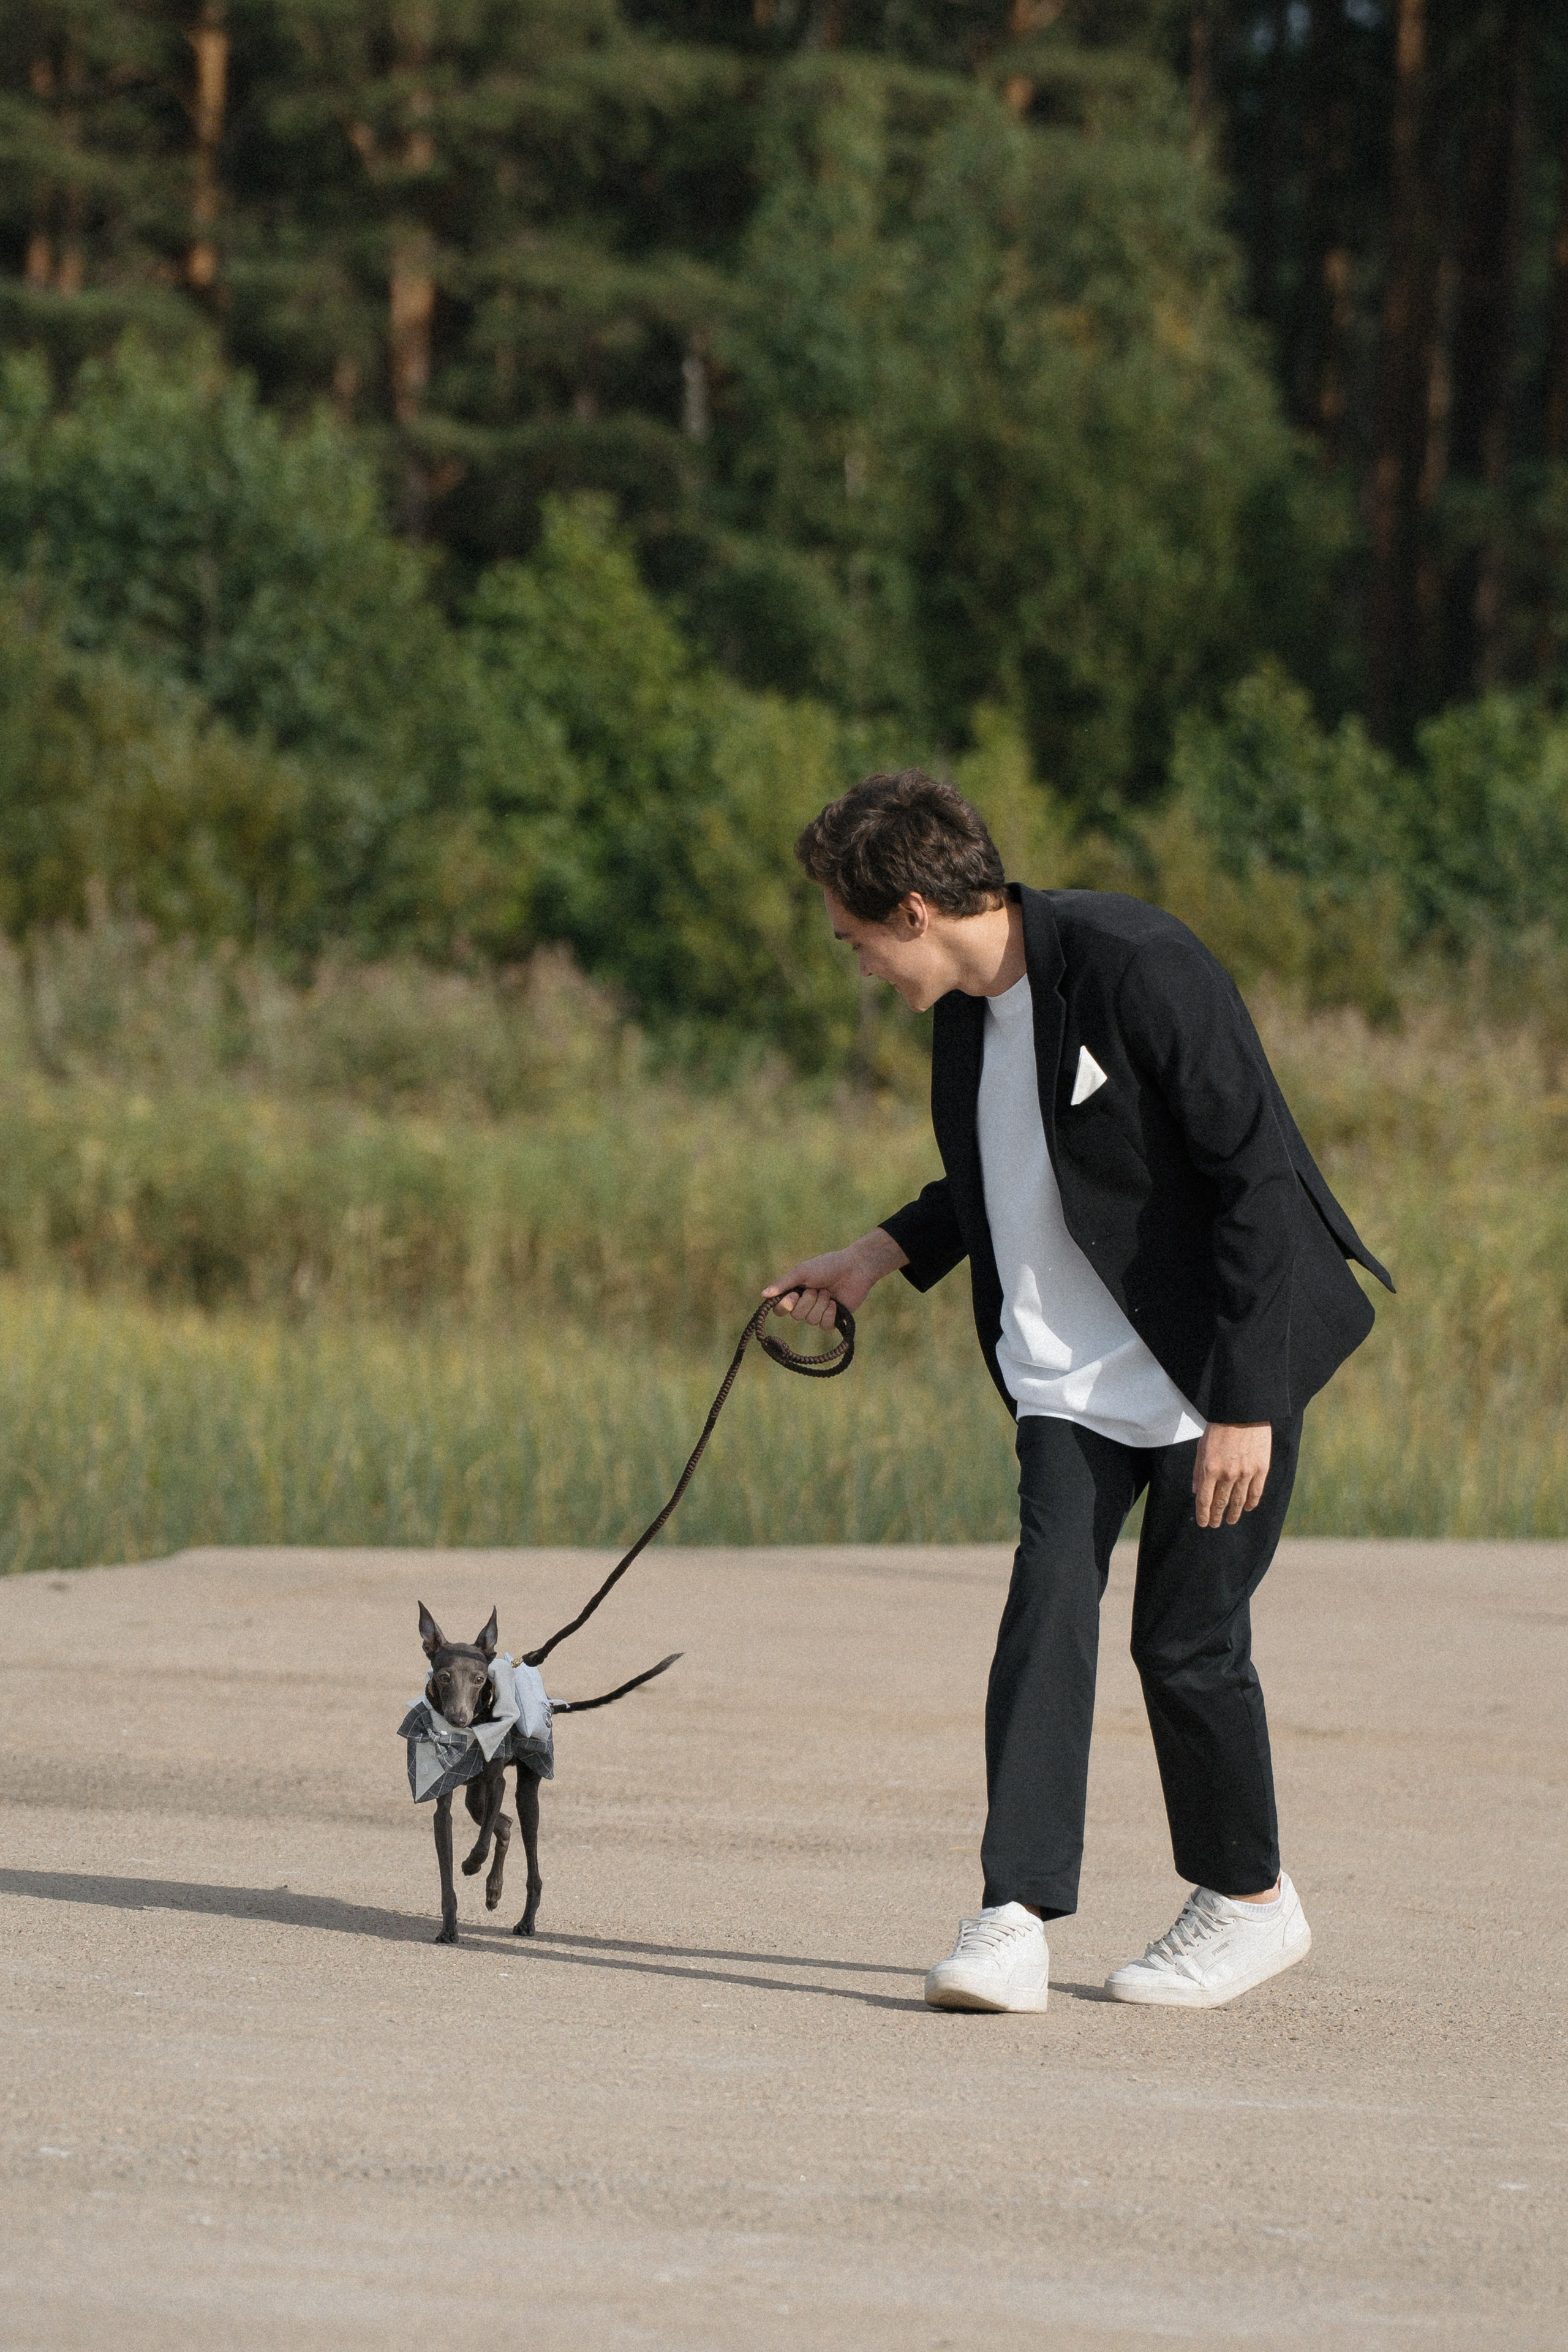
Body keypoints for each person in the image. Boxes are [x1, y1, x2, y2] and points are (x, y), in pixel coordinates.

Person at [764, 770, 1392, 2014]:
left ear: (907, 911)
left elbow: (1255, 1181)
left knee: (1185, 1642)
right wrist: (879, 1253)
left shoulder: (1137, 965)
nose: (857, 968)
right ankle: (1011, 1918)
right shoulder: (963, 1009)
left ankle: (1249, 1904)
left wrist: (1243, 1403)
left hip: (1218, 1364)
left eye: (850, 941)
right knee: (1044, 1610)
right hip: (1067, 1375)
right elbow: (1017, 1169)